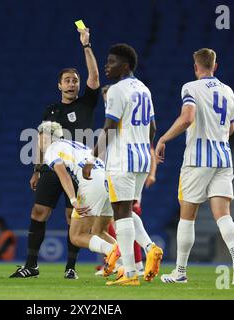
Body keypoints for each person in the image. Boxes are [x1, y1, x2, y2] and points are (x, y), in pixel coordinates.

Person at [10, 27, 100, 279]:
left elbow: (94, 74)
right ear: (59, 85)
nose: (72, 84)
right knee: (39, 212)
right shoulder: (50, 110)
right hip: (52, 168)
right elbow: (42, 141)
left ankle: (70, 268)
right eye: (68, 80)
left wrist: (86, 45)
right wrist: (37, 169)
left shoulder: (87, 103)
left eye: (75, 80)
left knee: (73, 218)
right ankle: (31, 265)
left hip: (79, 169)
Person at [155, 48, 234, 285]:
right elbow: (231, 128)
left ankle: (180, 271)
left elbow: (187, 118)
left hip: (198, 159)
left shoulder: (190, 88)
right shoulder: (228, 91)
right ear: (215, 66)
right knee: (223, 215)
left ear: (196, 67)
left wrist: (163, 139)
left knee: (187, 216)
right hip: (223, 157)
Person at [83, 43, 163, 286]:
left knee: (120, 215)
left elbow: (109, 129)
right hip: (140, 158)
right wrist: (147, 150)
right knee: (127, 210)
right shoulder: (144, 89)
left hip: (122, 160)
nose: (107, 66)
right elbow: (153, 127)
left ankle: (129, 273)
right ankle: (150, 247)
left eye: (111, 62)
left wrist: (92, 158)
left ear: (125, 65)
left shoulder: (118, 90)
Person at [38, 121, 117, 257]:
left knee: (76, 236)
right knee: (100, 231)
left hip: (92, 184)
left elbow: (64, 177)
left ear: (45, 137)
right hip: (109, 181)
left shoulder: (51, 150)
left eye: (39, 137)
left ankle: (112, 252)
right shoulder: (75, 144)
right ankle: (125, 264)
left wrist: (73, 200)